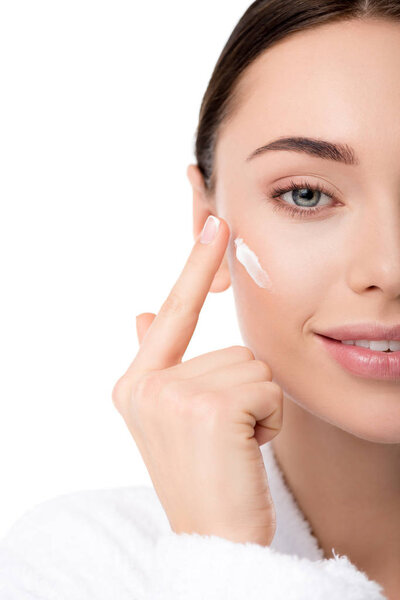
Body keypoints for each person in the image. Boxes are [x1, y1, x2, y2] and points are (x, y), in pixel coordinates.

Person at [1, 1, 399, 598]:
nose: (388, 269)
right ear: (207, 219)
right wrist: (222, 554)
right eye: (308, 195)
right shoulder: (81, 565)